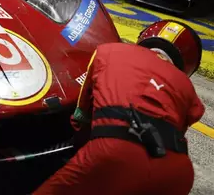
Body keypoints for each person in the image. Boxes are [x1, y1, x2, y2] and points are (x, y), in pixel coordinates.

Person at [34, 20, 205, 195]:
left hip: (112, 150)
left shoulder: (107, 51)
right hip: (177, 174)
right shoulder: (188, 89)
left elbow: (81, 118)